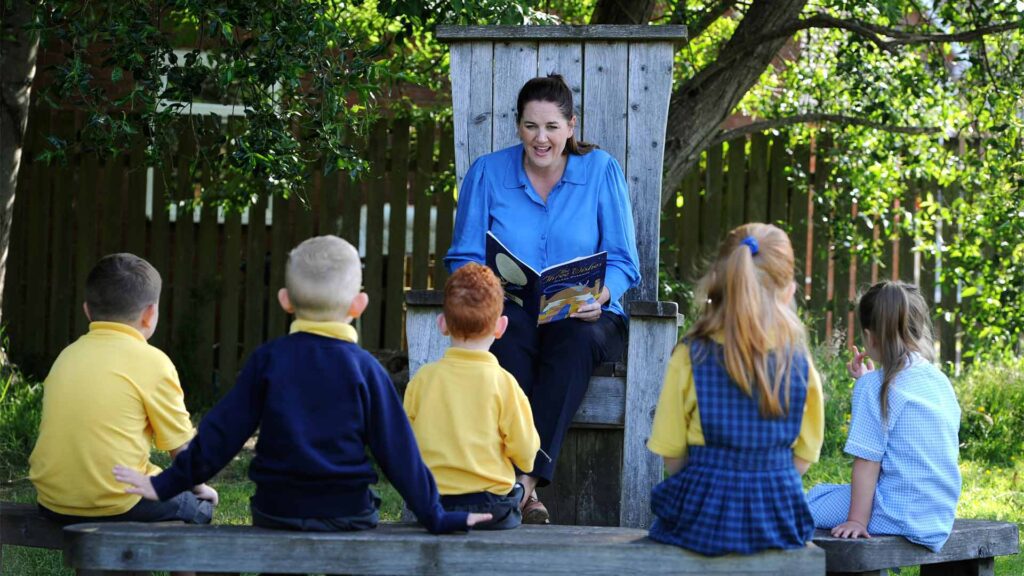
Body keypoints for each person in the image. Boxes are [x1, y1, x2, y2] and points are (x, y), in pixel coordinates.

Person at [114, 236, 489, 535]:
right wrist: (437, 516)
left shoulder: (268, 361)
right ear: (359, 305)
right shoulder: (366, 370)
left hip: (277, 509)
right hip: (348, 511)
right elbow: (400, 454)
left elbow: (220, 435)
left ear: (285, 301)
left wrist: (166, 484)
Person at [445, 74, 641, 523]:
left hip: (586, 314)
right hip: (510, 310)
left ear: (571, 126)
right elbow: (463, 257)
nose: (541, 138)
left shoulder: (601, 171)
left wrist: (602, 294)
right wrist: (485, 295)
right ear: (518, 127)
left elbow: (625, 261)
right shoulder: (488, 173)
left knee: (571, 344)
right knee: (507, 345)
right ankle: (524, 492)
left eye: (552, 127)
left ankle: (516, 485)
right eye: (531, 126)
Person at [646, 223, 824, 556]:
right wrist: (767, 480)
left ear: (718, 280)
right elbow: (805, 455)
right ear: (789, 292)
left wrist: (709, 484)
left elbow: (672, 453)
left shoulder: (690, 355)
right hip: (777, 516)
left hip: (702, 516)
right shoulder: (799, 363)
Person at [29, 253, 216, 527]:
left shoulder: (66, 356)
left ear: (87, 310)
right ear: (150, 314)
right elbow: (182, 450)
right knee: (198, 509)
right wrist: (199, 489)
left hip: (53, 501)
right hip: (118, 502)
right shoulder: (153, 362)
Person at [807, 281, 961, 552]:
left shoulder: (875, 388)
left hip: (897, 512)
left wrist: (857, 520)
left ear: (870, 336)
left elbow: (868, 462)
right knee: (830, 493)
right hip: (936, 515)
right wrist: (867, 383)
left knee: (809, 502)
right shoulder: (939, 381)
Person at [404, 263, 541, 530]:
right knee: (513, 496)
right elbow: (526, 454)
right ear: (501, 327)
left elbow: (404, 442)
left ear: (442, 324)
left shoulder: (422, 380)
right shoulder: (505, 384)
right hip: (491, 507)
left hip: (433, 503)